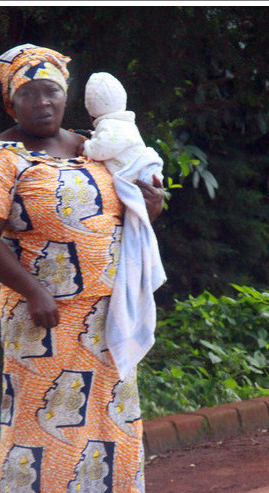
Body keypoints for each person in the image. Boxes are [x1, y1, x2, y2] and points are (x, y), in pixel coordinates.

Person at [0, 44, 164, 493]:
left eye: (50, 90)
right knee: (40, 423)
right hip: (44, 320)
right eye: (28, 93)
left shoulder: (97, 146)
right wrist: (32, 291)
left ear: (65, 95)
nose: (42, 101)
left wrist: (153, 202)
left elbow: (132, 217)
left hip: (107, 316)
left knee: (110, 419)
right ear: (11, 104)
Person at [82, 72, 167, 381]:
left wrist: (87, 148)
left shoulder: (115, 128)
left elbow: (104, 149)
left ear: (92, 111)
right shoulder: (118, 125)